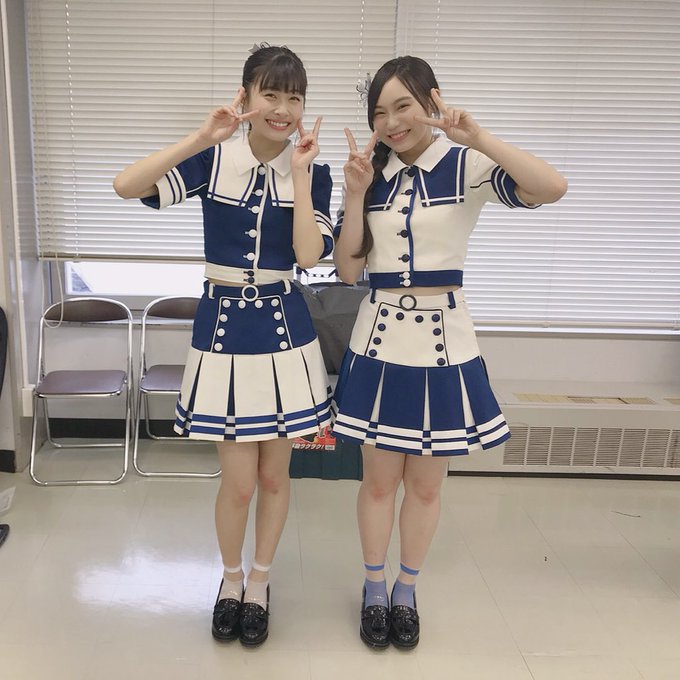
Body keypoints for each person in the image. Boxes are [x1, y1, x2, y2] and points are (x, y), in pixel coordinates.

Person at [332, 56, 567, 650]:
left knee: (427, 486)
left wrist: (478, 136)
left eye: (403, 106)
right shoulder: (370, 173)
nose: (391, 122)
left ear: (431, 102)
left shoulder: (465, 164)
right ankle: (374, 586)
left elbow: (551, 187)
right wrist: (354, 195)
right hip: (380, 339)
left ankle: (406, 591)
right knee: (378, 483)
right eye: (380, 112)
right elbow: (347, 270)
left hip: (443, 343)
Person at [113, 44, 334, 647]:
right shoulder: (214, 160)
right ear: (247, 98)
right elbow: (126, 185)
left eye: (294, 97)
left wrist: (302, 178)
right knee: (237, 482)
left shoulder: (313, 170)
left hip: (286, 333)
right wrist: (200, 136)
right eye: (271, 93)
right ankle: (230, 579)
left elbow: (310, 256)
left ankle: (260, 581)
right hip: (223, 332)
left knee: (275, 478)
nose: (283, 109)